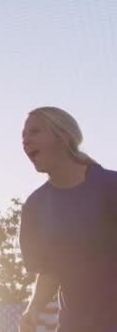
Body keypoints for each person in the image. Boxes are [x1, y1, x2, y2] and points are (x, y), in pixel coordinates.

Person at [19, 106, 117, 332]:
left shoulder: (110, 187)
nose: (25, 140)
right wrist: (33, 309)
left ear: (62, 136)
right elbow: (51, 269)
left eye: (34, 132)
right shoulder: (35, 207)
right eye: (23, 136)